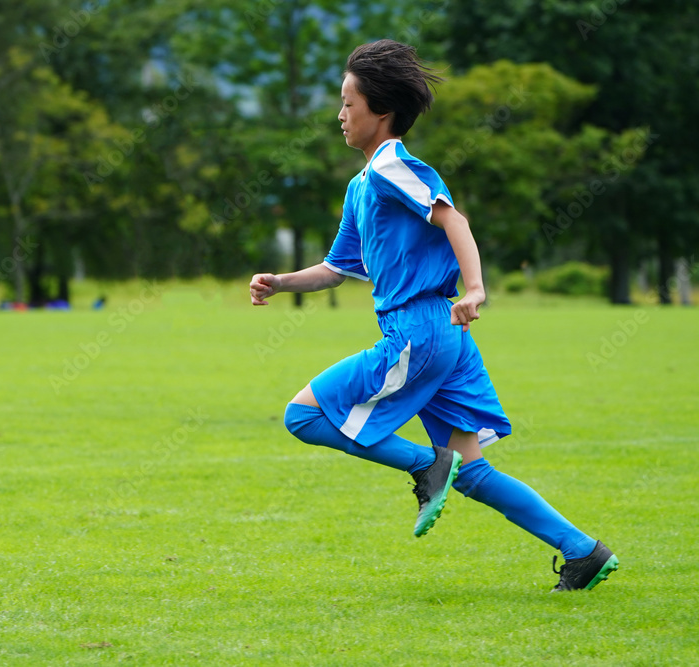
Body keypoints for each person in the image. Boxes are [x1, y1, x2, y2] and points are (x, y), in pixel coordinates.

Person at [249, 39, 618, 592]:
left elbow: (454, 220)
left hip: (420, 330)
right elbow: (336, 268)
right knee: (473, 472)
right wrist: (281, 283)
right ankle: (583, 552)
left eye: (349, 103)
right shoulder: (361, 186)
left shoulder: (392, 166)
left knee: (302, 416)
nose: (340, 115)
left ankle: (425, 465)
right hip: (443, 335)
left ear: (382, 111)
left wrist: (475, 288)